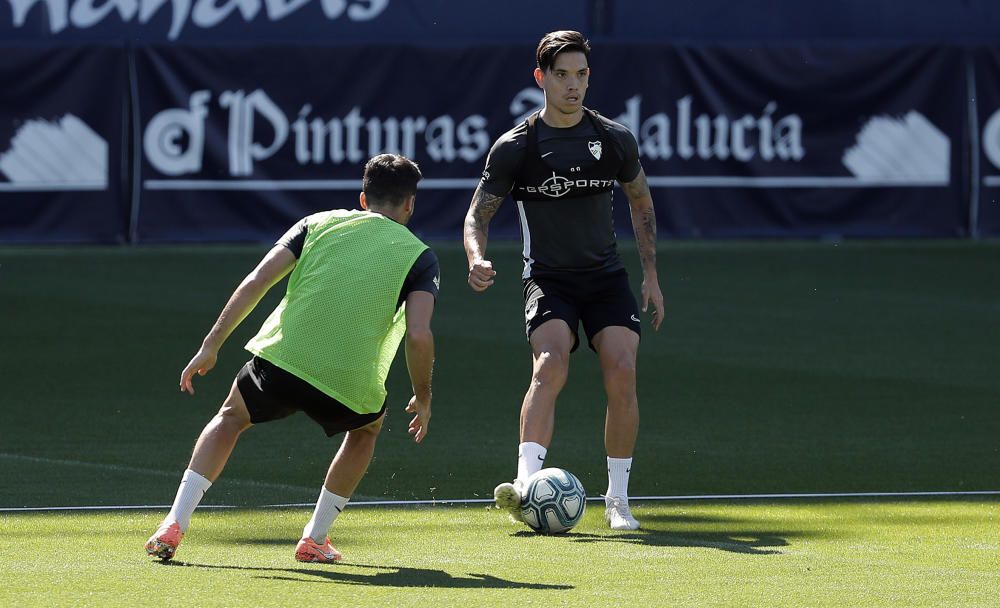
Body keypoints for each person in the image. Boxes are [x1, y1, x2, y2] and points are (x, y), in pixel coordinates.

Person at [145, 153, 438, 563]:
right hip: (348, 380)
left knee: (231, 417)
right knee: (367, 429)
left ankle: (174, 522)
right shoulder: (421, 257)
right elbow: (420, 335)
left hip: (281, 360)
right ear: (410, 204)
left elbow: (258, 280)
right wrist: (422, 396)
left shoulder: (317, 223)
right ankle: (315, 538)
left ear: (362, 198)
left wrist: (211, 345)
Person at [464, 30, 664, 531]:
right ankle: (526, 486)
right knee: (550, 364)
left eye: (580, 75)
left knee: (622, 369)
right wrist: (475, 257)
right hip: (548, 278)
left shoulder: (615, 139)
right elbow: (476, 216)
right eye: (561, 75)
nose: (572, 85)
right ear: (541, 79)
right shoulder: (518, 146)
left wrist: (652, 276)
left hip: (605, 278)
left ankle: (617, 499)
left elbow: (641, 201)